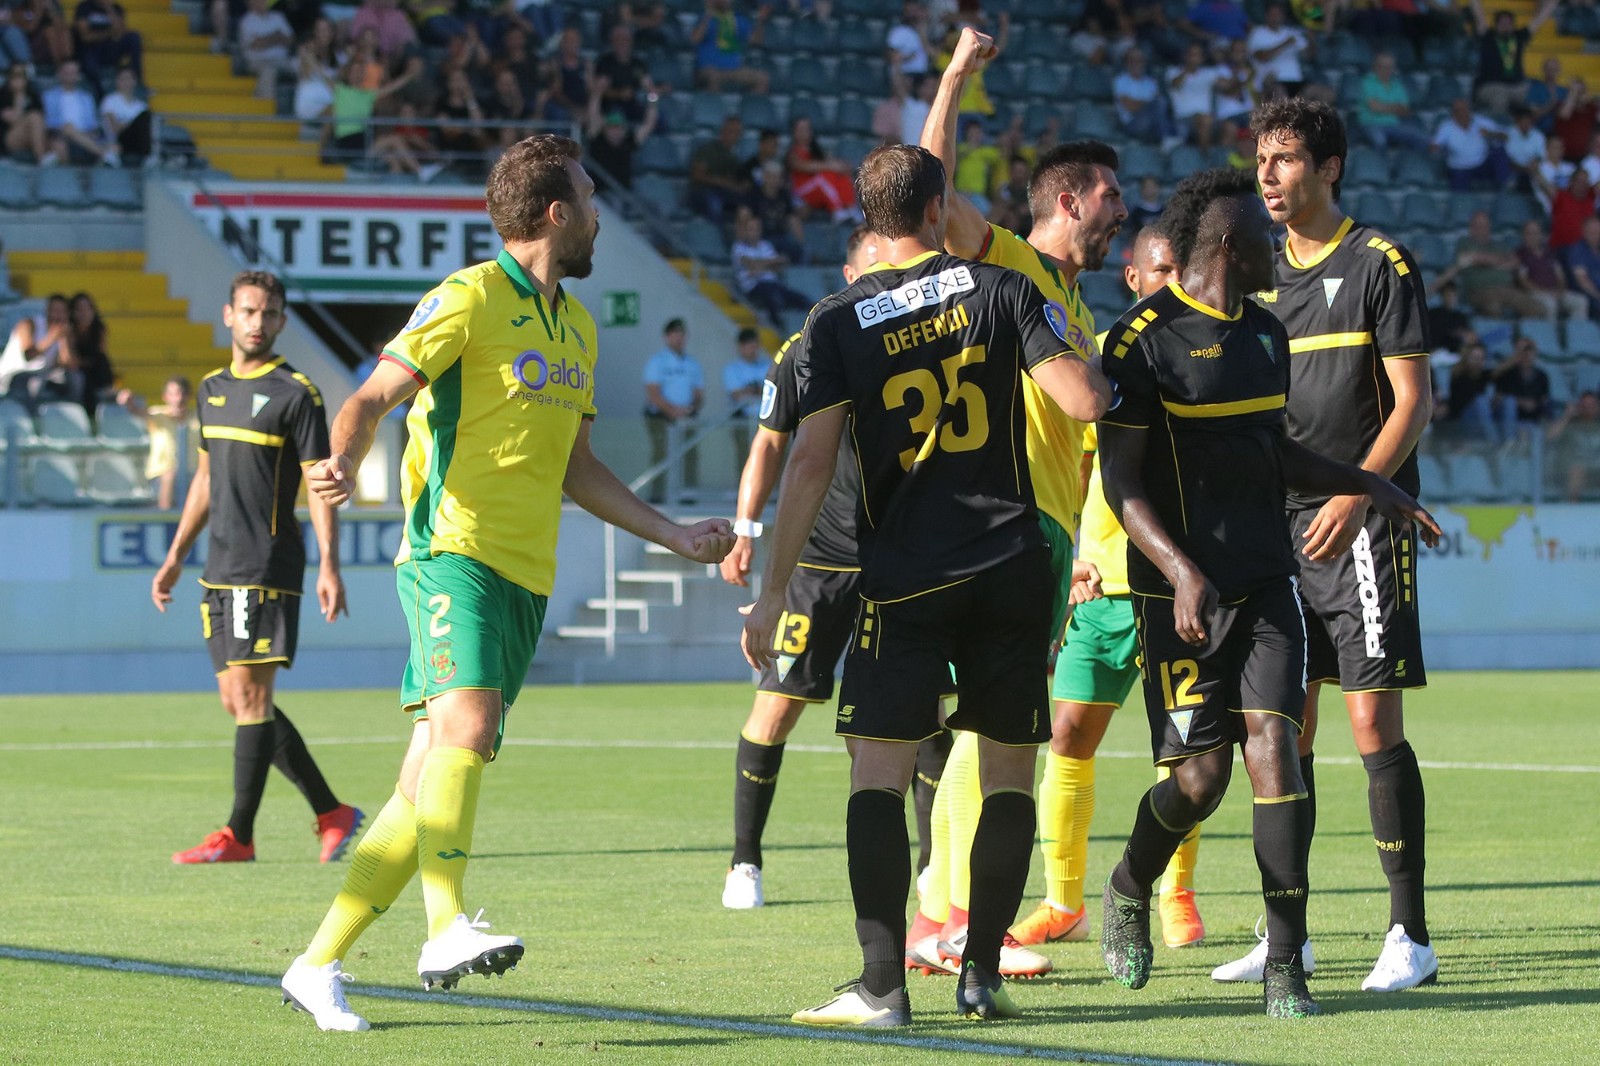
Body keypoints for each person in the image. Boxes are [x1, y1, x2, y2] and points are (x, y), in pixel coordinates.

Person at [278, 136, 734, 1032]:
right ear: (556, 212)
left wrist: (673, 533)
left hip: (526, 576)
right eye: (593, 197)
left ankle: (315, 963)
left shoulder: (579, 325)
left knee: (421, 791)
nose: (603, 212)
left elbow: (578, 468)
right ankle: (444, 925)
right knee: (470, 726)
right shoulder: (471, 297)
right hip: (455, 553)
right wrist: (337, 461)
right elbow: (371, 397)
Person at [743, 140, 1112, 1028]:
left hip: (905, 577)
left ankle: (881, 988)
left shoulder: (836, 321)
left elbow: (811, 464)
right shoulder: (1006, 288)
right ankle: (980, 974)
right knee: (1009, 776)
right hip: (1014, 567)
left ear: (867, 219)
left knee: (878, 776)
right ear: (937, 205)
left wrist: (770, 587)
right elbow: (1084, 401)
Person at [1095, 165, 1440, 1020]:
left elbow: (1275, 454)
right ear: (1225, 244)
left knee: (1274, 756)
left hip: (1265, 583)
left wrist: (1376, 485)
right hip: (1177, 600)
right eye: (1260, 237)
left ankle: (1288, 962)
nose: (1275, 255)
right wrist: (1179, 573)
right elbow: (1121, 484)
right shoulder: (1141, 342)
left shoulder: (1265, 334)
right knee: (1201, 779)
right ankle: (1129, 883)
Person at [921, 27, 1131, 957]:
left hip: (1046, 529)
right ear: (1069, 198)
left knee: (1001, 728)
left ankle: (939, 914)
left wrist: (1086, 543)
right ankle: (964, 919)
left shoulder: (1077, 304)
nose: (1122, 211)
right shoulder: (1008, 259)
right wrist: (956, 76)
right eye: (1112, 197)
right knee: (993, 726)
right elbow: (930, 196)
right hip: (998, 519)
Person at [1244, 96, 1441, 993]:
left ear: (1328, 168)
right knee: (1286, 729)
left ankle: (1410, 936)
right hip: (1276, 531)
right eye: (1261, 160)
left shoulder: (1380, 262)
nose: (1269, 175)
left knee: (1370, 720)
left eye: (1285, 159)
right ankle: (1290, 932)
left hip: (1356, 524)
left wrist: (1358, 498)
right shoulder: (1254, 275)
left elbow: (1411, 402)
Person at [718, 227, 960, 911]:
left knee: (923, 718)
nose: (886, 281)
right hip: (822, 559)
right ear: (850, 273)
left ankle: (931, 869)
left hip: (904, 559)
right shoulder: (810, 345)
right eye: (873, 269)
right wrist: (746, 530)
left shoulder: (931, 338)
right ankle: (744, 861)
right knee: (778, 705)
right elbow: (772, 446)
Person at [1009, 221, 1210, 956]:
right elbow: (1083, 465)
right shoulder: (1103, 359)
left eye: (1180, 272)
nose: (1171, 284)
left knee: (1183, 753)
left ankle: (1175, 892)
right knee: (1066, 735)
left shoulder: (1203, 361)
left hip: (1170, 592)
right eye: (1160, 271)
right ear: (1134, 279)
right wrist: (1071, 561)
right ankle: (1062, 902)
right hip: (1100, 591)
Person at [150, 270, 362, 871]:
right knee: (239, 701)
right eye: (248, 311)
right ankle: (331, 812)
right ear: (228, 315)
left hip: (266, 563)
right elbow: (205, 478)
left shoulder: (298, 394)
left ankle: (238, 835)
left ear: (281, 321)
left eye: (269, 313)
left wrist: (330, 563)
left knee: (251, 695)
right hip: (217, 565)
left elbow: (320, 485)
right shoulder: (211, 388)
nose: (257, 322)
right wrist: (174, 556)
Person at [642, 317, 703, 502]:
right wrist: (672, 411)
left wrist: (688, 410)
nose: (679, 339)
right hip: (661, 417)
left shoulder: (692, 364)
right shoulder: (657, 362)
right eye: (674, 335)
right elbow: (653, 393)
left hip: (686, 417)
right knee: (661, 455)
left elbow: (699, 393)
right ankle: (658, 495)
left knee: (689, 455)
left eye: (681, 335)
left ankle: (688, 496)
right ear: (666, 337)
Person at [1466, 0, 1559, 116]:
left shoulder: (1518, 37)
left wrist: (1553, 4)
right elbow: (1478, 13)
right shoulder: (1488, 36)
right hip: (1490, 85)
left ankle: (1532, 130)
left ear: (1513, 25)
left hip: (1517, 86)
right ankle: (1500, 129)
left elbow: (1539, 20)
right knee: (1500, 96)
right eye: (1502, 22)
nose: (1505, 25)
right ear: (1496, 24)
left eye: (1508, 22)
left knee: (1536, 94)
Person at [730, 210, 813, 331]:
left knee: (797, 297)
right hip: (753, 287)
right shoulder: (738, 247)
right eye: (751, 229)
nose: (755, 232)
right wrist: (769, 263)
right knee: (772, 296)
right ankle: (777, 327)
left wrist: (760, 266)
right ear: (746, 231)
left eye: (757, 229)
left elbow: (781, 264)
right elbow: (751, 263)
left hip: (773, 284)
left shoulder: (765, 245)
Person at [1431, 97, 1511, 191]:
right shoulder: (1446, 127)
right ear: (1453, 113)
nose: (1462, 113)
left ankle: (1505, 187)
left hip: (1481, 164)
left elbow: (1507, 136)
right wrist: (1442, 150)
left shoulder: (1480, 121)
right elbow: (1434, 147)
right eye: (1458, 111)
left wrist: (1490, 134)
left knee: (1499, 151)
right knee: (1459, 193)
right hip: (1460, 167)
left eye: (1465, 110)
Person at [690, 0, 769, 94]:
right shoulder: (705, 19)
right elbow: (694, 40)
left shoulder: (738, 19)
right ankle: (717, 107)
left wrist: (760, 21)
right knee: (713, 76)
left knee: (762, 78)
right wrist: (708, 15)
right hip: (709, 69)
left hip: (734, 69)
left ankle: (747, 106)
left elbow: (756, 41)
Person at [1357, 52, 1429, 152]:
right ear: (1376, 67)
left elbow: (1406, 111)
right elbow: (1374, 107)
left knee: (1421, 137)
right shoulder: (1367, 82)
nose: (1387, 70)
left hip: (1394, 125)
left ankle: (1409, 165)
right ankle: (1379, 166)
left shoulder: (1397, 85)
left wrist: (1382, 106)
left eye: (1390, 67)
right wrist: (1395, 108)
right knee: (1379, 140)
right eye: (1383, 66)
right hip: (1371, 124)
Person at [1516, 219, 1587, 320]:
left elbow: (1560, 276)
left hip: (1555, 291)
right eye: (1529, 233)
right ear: (1523, 235)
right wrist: (1545, 292)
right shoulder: (1520, 254)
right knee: (1550, 303)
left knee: (1580, 301)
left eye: (1536, 233)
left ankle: (1577, 334)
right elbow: (1523, 281)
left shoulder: (1550, 253)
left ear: (1541, 235)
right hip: (1534, 293)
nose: (1533, 236)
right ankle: (1551, 334)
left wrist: (1560, 290)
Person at [721, 326, 767, 467]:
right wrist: (757, 390)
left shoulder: (767, 365)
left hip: (765, 420)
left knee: (767, 457)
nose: (753, 349)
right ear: (741, 347)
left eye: (755, 345)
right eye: (749, 345)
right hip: (743, 421)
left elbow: (773, 391)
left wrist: (750, 391)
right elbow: (737, 395)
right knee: (744, 458)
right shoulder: (732, 369)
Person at [688, 114, 748, 223]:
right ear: (723, 131)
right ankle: (717, 237)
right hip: (702, 192)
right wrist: (722, 182)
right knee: (714, 204)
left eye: (737, 133)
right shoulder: (708, 150)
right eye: (731, 131)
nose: (734, 136)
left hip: (724, 193)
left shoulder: (734, 158)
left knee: (747, 203)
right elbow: (697, 175)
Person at [1546, 391, 1600, 500]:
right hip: (1571, 471)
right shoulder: (1570, 424)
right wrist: (1567, 415)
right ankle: (1572, 510)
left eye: (1592, 405)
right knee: (1577, 471)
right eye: (1584, 405)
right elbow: (1549, 437)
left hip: (1596, 470)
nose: (1588, 409)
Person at [1246, 3, 1308, 97]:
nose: (1276, 17)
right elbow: (1262, 57)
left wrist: (1311, 37)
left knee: (1325, 94)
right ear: (1266, 16)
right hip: (1273, 81)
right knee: (1281, 95)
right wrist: (1285, 43)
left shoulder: (1291, 32)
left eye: (1278, 14)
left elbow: (1309, 55)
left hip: (1296, 80)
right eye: (1273, 14)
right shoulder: (1257, 33)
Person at [238, 0, 293, 100]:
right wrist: (277, 36)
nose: (261, 2)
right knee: (268, 71)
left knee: (300, 65)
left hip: (282, 60)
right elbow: (257, 44)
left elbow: (290, 40)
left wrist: (265, 39)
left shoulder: (278, 17)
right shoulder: (246, 21)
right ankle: (266, 108)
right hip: (258, 61)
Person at [99, 66, 149, 165]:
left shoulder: (142, 106)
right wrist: (133, 126)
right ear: (117, 81)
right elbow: (115, 128)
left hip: (138, 144)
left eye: (129, 78)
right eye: (123, 79)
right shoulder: (110, 101)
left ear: (135, 81)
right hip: (117, 141)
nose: (126, 82)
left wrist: (127, 125)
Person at [0, 63, 49, 164]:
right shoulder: (3, 94)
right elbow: (13, 120)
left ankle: (58, 177)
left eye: (21, 75)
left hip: (33, 137)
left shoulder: (33, 95)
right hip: (9, 138)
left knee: (58, 144)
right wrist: (19, 94)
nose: (18, 79)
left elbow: (43, 120)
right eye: (14, 75)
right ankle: (41, 158)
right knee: (34, 117)